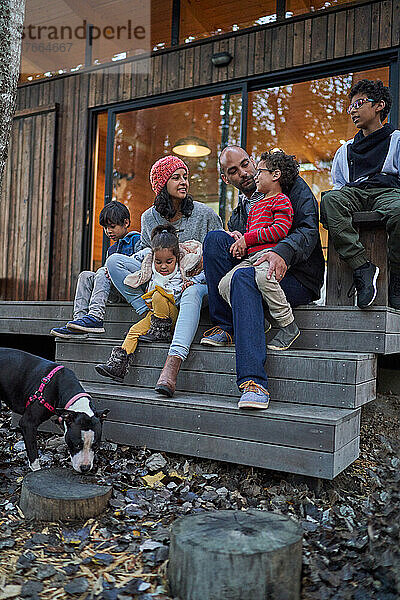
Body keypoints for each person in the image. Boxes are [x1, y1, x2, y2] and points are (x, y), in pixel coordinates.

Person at [202, 146, 325, 409]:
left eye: (246, 164)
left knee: (244, 278)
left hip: (298, 276)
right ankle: (226, 326)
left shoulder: (291, 187)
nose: (244, 173)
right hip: (257, 271)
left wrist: (283, 252)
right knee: (215, 240)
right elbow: (245, 249)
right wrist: (238, 241)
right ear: (226, 179)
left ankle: (254, 382)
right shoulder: (240, 213)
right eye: (233, 171)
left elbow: (308, 229)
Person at [106, 155, 223, 396]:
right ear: (161, 185)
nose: (184, 182)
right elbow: (145, 256)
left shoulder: (205, 215)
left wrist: (196, 277)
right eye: (176, 177)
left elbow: (220, 259)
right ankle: (153, 316)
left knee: (191, 291)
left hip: (195, 286)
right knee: (114, 261)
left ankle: (172, 366)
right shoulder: (149, 217)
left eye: (185, 177)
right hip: (159, 288)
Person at [320, 79, 400, 309]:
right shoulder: (345, 150)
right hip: (354, 193)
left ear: (379, 106)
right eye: (350, 107)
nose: (352, 110)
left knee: (399, 209)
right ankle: (362, 267)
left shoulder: (396, 140)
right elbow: (338, 185)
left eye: (359, 104)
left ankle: (397, 274)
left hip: (389, 191)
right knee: (330, 200)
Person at [95, 224, 203, 382]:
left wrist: (192, 281)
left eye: (168, 261)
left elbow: (204, 270)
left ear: (177, 258)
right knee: (133, 330)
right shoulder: (150, 263)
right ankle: (118, 366)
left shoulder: (184, 265)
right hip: (155, 316)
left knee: (158, 294)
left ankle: (162, 333)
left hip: (172, 315)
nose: (163, 266)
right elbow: (136, 260)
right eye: (158, 262)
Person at [218, 150, 300, 356]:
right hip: (252, 258)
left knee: (265, 278)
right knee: (224, 284)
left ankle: (288, 324)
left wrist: (248, 238)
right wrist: (241, 241)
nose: (254, 175)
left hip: (270, 255)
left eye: (260, 172)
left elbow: (280, 230)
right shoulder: (255, 206)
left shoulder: (281, 200)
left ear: (275, 175)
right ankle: (256, 319)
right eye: (234, 171)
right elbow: (251, 234)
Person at [50, 201, 140, 338]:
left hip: (131, 288)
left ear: (126, 223)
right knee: (85, 275)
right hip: (115, 292)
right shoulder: (111, 249)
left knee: (103, 270)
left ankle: (96, 317)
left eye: (112, 226)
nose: (108, 231)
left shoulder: (136, 240)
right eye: (105, 228)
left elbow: (141, 266)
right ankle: (78, 323)